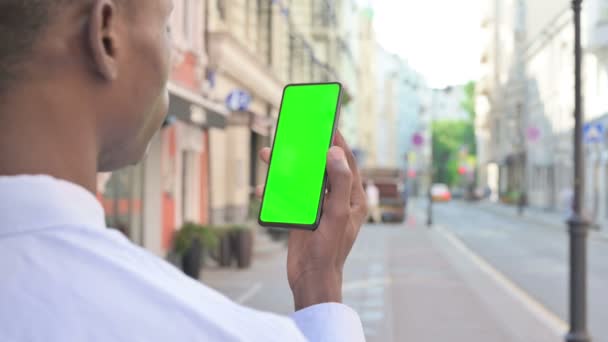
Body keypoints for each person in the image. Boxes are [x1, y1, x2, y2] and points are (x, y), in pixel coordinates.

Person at [0, 1, 368, 341]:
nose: (174, 56)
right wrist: (320, 287)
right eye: (167, 29)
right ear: (106, 35)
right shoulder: (207, 329)